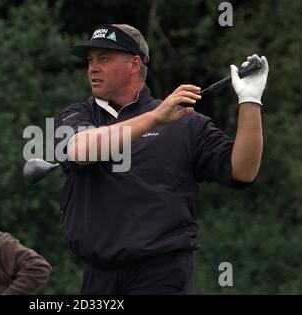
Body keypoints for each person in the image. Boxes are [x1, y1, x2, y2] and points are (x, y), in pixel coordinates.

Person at [54, 24, 268, 294]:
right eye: (90, 60)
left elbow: (242, 171)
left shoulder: (185, 124)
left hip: (161, 273)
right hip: (98, 275)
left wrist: (250, 100)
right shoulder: (78, 115)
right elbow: (79, 151)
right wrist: (155, 118)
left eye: (104, 59)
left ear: (133, 65)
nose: (93, 68)